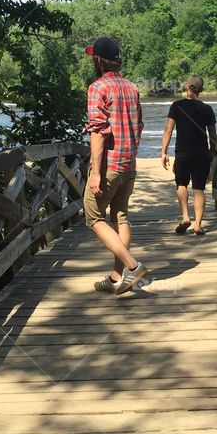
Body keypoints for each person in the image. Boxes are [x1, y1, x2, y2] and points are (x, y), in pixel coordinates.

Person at [83, 37, 148, 295]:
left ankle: (133, 267)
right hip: (129, 165)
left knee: (93, 217)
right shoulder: (132, 88)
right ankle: (115, 278)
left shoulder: (98, 88)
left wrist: (96, 172)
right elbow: (139, 126)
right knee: (120, 215)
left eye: (93, 57)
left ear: (98, 60)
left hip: (109, 166)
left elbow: (98, 131)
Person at [160, 75, 217, 236]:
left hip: (183, 153)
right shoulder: (207, 109)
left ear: (186, 86)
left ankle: (185, 217)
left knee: (181, 184)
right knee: (199, 189)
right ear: (201, 90)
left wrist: (164, 151)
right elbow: (212, 133)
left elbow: (168, 130)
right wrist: (212, 151)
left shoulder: (176, 106)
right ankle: (198, 225)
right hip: (201, 154)